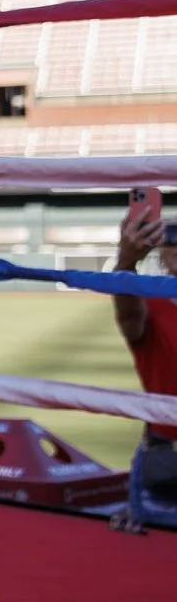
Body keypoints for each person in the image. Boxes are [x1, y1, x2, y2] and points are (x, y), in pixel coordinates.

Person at [112, 187, 177, 530]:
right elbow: (129, 316)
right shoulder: (149, 303)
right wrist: (126, 262)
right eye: (171, 238)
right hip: (167, 458)